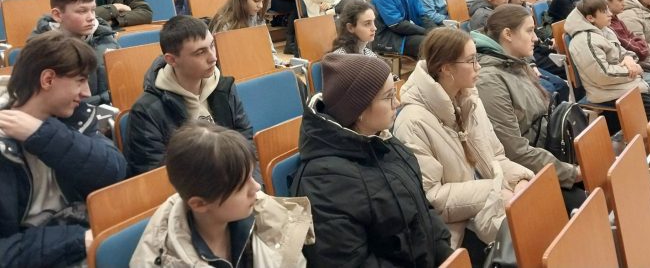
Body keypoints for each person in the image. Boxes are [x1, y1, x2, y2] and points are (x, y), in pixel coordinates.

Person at [292, 53, 453, 266]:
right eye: (388, 97)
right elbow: (349, 262)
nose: (398, 102)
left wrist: (446, 254)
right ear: (358, 109)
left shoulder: (383, 141)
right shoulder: (323, 182)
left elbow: (422, 208)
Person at [394, 28, 534, 262]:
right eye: (471, 61)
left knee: (548, 216)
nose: (478, 67)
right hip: (457, 231)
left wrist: (520, 181)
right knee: (532, 242)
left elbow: (496, 156)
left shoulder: (470, 100)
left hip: (494, 205)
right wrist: (495, 191)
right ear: (446, 68)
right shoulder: (412, 122)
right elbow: (431, 197)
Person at [0, 31, 127, 268]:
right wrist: (77, 240)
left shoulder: (74, 117)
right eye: (80, 81)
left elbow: (115, 172)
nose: (87, 93)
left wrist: (42, 134)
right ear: (48, 79)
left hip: (80, 239)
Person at [132, 121, 312, 266]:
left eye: (251, 176)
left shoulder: (264, 211)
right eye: (240, 187)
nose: (257, 187)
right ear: (199, 204)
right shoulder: (161, 260)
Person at [563, 0, 650, 177]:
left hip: (629, 86)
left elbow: (628, 53)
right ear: (590, 18)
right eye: (604, 11)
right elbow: (602, 76)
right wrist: (630, 70)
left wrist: (629, 60)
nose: (610, 14)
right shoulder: (584, 41)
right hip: (611, 93)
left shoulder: (604, 31)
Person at [472, 5, 584, 203]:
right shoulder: (489, 80)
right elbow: (514, 151)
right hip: (526, 172)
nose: (536, 38)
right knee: (586, 199)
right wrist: (571, 173)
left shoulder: (515, 62)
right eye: (530, 31)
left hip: (548, 153)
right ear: (508, 34)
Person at [124, 16, 258, 177]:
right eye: (200, 52)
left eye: (212, 45)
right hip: (195, 189)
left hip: (236, 181)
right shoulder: (146, 111)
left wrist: (251, 182)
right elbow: (157, 176)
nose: (213, 57)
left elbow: (245, 140)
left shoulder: (223, 87)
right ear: (172, 60)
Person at [30, 0, 118, 105]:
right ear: (58, 15)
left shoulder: (105, 37)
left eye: (93, 10)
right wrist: (107, 98)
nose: (91, 17)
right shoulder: (41, 51)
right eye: (82, 11)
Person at [210, 0, 285, 65]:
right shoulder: (224, 23)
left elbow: (270, 52)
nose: (261, 6)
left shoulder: (258, 19)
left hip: (257, 65)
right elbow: (222, 62)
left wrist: (281, 64)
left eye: (262, 1)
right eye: (256, 1)